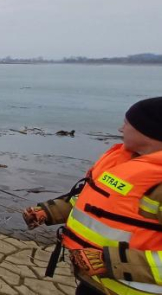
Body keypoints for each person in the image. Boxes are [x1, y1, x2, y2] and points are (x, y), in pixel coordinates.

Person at [23, 97, 162, 295]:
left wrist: (110, 262)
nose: (120, 129)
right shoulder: (121, 162)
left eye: (126, 124)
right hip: (96, 282)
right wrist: (47, 212)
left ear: (149, 132)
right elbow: (89, 200)